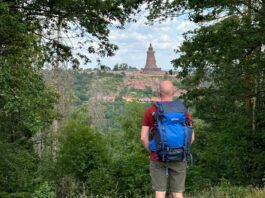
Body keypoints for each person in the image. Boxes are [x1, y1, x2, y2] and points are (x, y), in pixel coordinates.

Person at [141, 80, 195, 198]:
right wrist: (182, 149)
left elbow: (143, 137)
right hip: (179, 155)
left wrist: (153, 151)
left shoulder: (151, 110)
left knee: (160, 192)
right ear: (174, 92)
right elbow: (191, 136)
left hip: (158, 156)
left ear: (159, 92)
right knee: (178, 192)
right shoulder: (183, 110)